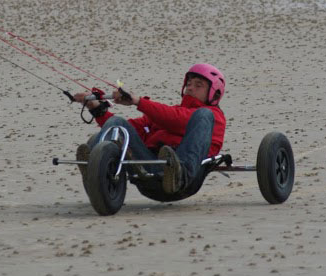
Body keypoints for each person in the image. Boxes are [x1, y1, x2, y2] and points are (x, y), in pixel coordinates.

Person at [73, 63, 226, 195]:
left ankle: (177, 174)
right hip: (150, 172)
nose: (191, 88)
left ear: (214, 94)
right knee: (116, 123)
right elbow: (128, 131)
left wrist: (139, 102)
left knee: (203, 114)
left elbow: (178, 120)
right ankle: (95, 171)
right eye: (189, 84)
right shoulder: (165, 114)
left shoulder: (212, 117)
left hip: (184, 179)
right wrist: (98, 110)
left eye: (198, 85)